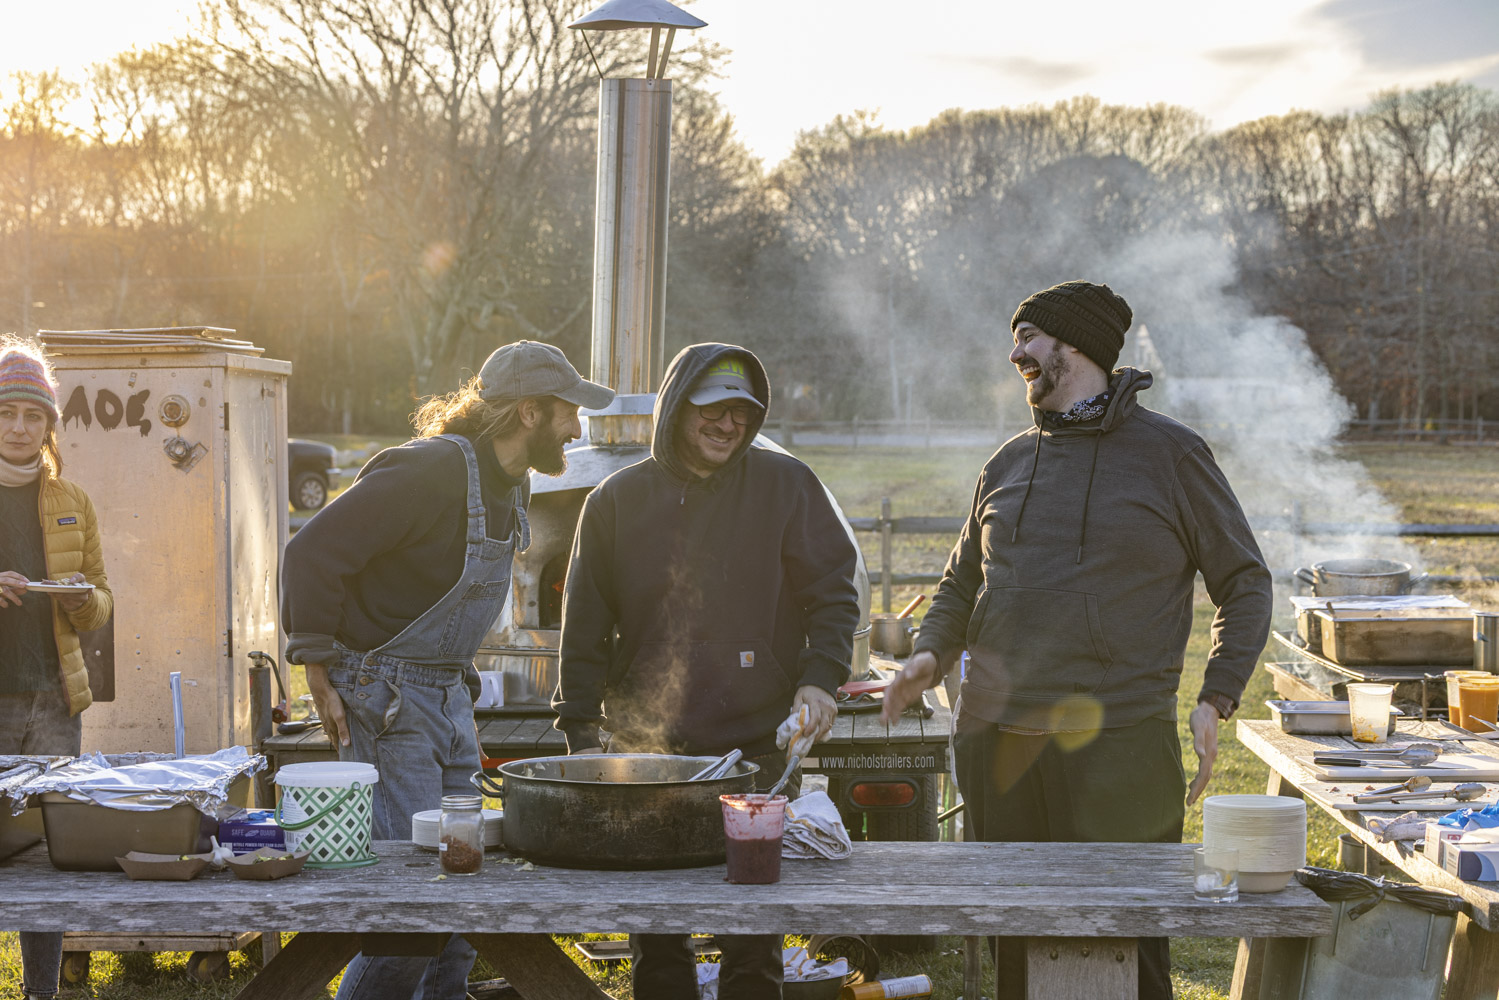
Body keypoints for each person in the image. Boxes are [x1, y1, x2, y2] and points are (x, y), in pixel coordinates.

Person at [881, 280, 1273, 1000]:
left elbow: (1245, 582)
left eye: (1028, 337)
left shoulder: (1172, 456)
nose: (1015, 354)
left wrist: (1216, 694)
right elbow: (960, 584)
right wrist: (928, 655)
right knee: (1015, 942)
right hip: (996, 742)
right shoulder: (1006, 463)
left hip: (1118, 745)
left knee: (1126, 940)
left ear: (1077, 345)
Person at [282, 340, 612, 1000]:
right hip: (387, 700)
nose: (577, 429)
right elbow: (310, 552)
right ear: (528, 412)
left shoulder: (512, 483)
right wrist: (316, 668)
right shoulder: (429, 470)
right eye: (569, 412)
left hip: (445, 697)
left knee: (465, 886)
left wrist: (452, 694)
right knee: (416, 908)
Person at [554, 344, 860, 1000]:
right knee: (657, 932)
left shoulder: (786, 485)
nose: (729, 424)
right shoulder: (615, 500)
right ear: (675, 408)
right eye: (712, 410)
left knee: (753, 931)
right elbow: (583, 630)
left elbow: (834, 595)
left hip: (757, 745)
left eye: (742, 412)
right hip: (648, 753)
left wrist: (819, 677)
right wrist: (580, 733)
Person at [0, 340, 114, 1000]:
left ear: (49, 426)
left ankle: (41, 992)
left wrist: (80, 599)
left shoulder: (72, 498)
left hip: (55, 703)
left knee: (49, 853)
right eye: (6, 413)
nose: (18, 428)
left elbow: (102, 602)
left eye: (32, 416)